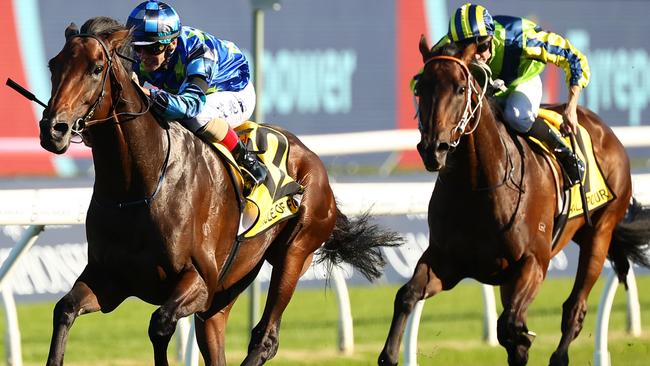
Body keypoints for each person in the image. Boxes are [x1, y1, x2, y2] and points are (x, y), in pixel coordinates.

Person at [428, 3, 588, 185]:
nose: (476, 57)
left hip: (520, 80)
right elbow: (423, 79)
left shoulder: (520, 39)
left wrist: (572, 107)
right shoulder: (445, 46)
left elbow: (574, 58)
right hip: (479, 85)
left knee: (517, 115)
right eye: (464, 50)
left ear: (491, 37)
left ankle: (563, 152)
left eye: (481, 47)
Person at [126, 0, 267, 193]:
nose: (142, 55)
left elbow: (191, 105)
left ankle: (246, 159)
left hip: (232, 91)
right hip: (188, 93)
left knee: (195, 116)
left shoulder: (199, 51)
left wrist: (146, 93)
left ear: (172, 43)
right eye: (137, 47)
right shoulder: (140, 54)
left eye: (152, 48)